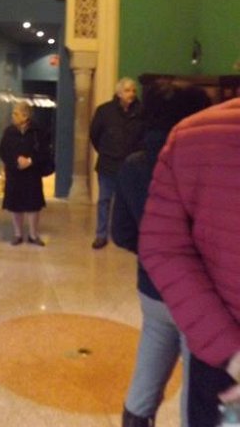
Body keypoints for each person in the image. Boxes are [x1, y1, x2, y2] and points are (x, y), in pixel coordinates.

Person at [112, 83, 211, 427]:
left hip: (152, 288)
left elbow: (121, 233)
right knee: (198, 392)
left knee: (147, 373)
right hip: (198, 294)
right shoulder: (204, 164)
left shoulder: (133, 165)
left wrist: (157, 253)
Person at [139, 94, 240, 427]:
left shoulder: (192, 135)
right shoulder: (192, 136)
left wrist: (230, 354)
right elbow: (163, 246)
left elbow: (160, 247)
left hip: (221, 354)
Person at [89, 76, 144, 249]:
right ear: (119, 93)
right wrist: (106, 150)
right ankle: (101, 235)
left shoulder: (141, 112)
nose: (131, 94)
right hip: (108, 163)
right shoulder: (104, 111)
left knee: (130, 201)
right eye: (127, 90)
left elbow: (143, 137)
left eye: (133, 90)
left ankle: (127, 235)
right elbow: (94, 135)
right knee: (104, 200)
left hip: (131, 165)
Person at [0, 100, 51, 246]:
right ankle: (18, 234)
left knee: (33, 204)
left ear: (25, 115)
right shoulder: (9, 131)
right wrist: (16, 160)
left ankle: (33, 235)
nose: (13, 116)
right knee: (15, 204)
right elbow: (3, 151)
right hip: (14, 173)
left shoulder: (37, 131)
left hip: (32, 173)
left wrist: (30, 160)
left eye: (16, 114)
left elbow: (44, 151)